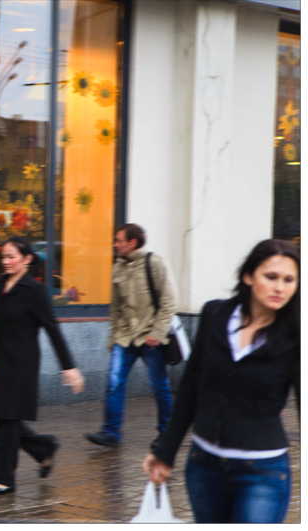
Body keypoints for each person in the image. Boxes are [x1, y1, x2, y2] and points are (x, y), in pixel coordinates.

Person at [142, 239, 300, 523]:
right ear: (249, 276)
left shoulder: (296, 334)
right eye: (271, 277)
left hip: (263, 472)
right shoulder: (215, 314)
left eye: (289, 280)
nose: (280, 288)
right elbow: (191, 388)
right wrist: (165, 451)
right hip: (204, 466)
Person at [0, 236, 84, 495]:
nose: (6, 261)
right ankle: (43, 448)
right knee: (6, 418)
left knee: (6, 422)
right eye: (4, 257)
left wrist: (69, 367)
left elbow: (52, 328)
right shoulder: (0, 283)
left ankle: (3, 479)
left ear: (27, 259)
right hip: (1, 362)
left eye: (12, 256)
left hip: (23, 365)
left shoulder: (34, 291)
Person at [85, 223, 176, 449]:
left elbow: (168, 302)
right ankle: (111, 433)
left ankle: (167, 433)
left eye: (118, 240)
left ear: (131, 243)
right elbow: (115, 308)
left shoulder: (154, 264)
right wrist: (112, 338)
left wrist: (157, 333)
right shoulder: (117, 268)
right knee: (114, 383)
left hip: (150, 338)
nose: (115, 245)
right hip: (124, 338)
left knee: (159, 386)